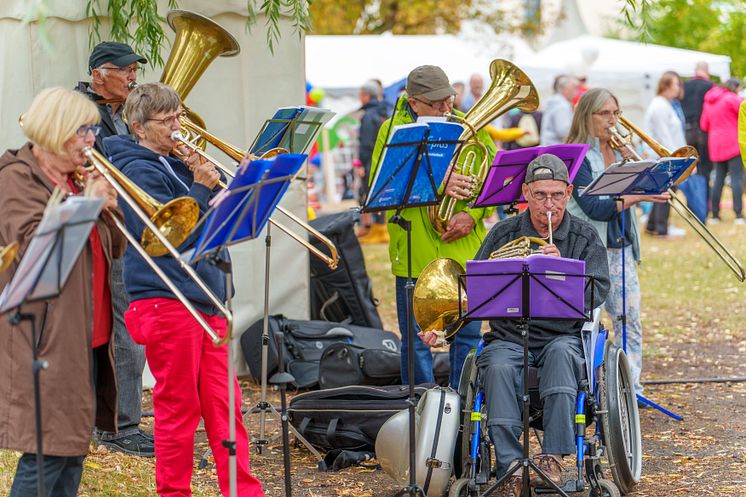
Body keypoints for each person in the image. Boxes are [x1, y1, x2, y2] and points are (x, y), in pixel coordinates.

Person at [104, 83, 264, 497]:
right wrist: (199, 184)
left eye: (179, 116)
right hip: (166, 299)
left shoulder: (171, 161)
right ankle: (173, 492)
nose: (179, 127)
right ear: (138, 128)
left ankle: (242, 490)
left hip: (202, 296)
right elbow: (167, 235)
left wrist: (241, 182)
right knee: (179, 408)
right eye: (168, 120)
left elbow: (214, 218)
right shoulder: (135, 166)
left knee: (224, 408)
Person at [422, 154, 610, 497]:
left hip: (561, 335)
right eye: (539, 195)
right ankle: (509, 465)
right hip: (509, 335)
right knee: (495, 365)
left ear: (569, 193)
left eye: (556, 195)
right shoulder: (503, 232)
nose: (548, 204)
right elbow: (472, 289)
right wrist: (441, 326)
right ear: (525, 192)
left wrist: (563, 272)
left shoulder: (584, 236)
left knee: (563, 358)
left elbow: (600, 288)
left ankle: (552, 457)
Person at [0, 87, 124, 497]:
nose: (92, 139)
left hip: (87, 334)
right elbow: (37, 248)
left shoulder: (75, 180)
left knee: (72, 453)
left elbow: (114, 248)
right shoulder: (17, 177)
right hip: (44, 337)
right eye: (84, 131)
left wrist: (109, 208)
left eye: (92, 130)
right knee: (48, 453)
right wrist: (89, 203)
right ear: (55, 131)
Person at [370, 65, 496, 388]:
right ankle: (422, 415)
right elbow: (382, 189)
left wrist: (473, 216)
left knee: (467, 337)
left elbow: (491, 179)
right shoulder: (392, 131)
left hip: (465, 250)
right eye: (437, 103)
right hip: (416, 254)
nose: (447, 108)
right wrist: (438, 182)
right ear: (414, 103)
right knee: (415, 344)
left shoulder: (469, 125)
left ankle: (462, 414)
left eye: (449, 99)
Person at [76, 40, 155, 457]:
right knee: (126, 330)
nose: (132, 75)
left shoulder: (117, 114)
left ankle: (118, 421)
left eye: (133, 69)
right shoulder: (81, 113)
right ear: (98, 73)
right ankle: (119, 427)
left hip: (123, 231)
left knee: (129, 327)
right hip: (106, 234)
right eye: (124, 69)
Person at [567, 88, 670, 398]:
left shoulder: (623, 149)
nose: (613, 120)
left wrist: (635, 169)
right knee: (590, 322)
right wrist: (639, 195)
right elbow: (595, 207)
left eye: (616, 112)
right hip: (590, 250)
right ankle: (587, 390)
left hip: (622, 244)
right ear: (587, 115)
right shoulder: (577, 155)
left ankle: (629, 388)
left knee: (630, 320)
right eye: (605, 114)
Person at [643, 71, 687, 237]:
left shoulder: (665, 104)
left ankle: (653, 225)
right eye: (676, 84)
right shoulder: (660, 106)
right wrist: (678, 158)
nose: (678, 88)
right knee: (665, 193)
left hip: (667, 156)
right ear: (667, 85)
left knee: (663, 192)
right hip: (664, 157)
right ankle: (662, 229)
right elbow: (664, 136)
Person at [700, 78, 745, 224]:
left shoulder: (709, 100)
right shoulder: (732, 99)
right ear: (735, 87)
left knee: (718, 179)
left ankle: (714, 215)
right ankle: (738, 215)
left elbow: (704, 125)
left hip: (715, 144)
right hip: (733, 143)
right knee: (736, 178)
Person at [356, 79, 390, 244]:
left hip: (371, 161)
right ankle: (381, 229)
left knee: (371, 193)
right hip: (386, 159)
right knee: (382, 192)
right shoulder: (385, 112)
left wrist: (361, 164)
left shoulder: (368, 115)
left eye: (361, 95)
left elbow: (366, 143)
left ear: (365, 95)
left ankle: (378, 230)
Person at [682, 62, 714, 208]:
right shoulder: (710, 86)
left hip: (686, 132)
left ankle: (691, 204)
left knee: (688, 169)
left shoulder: (684, 86)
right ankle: (704, 203)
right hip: (703, 133)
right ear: (707, 71)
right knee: (705, 169)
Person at [540, 75, 579, 146]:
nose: (576, 92)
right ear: (566, 90)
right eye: (574, 89)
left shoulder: (554, 101)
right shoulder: (562, 105)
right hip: (556, 147)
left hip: (548, 144)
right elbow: (563, 131)